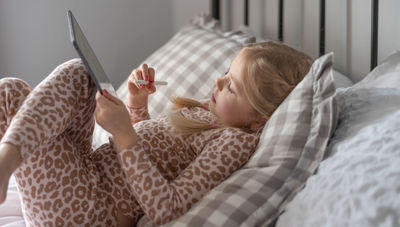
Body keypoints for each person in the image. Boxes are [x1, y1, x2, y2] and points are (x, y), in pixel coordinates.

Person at [0, 41, 312, 226]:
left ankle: (5, 161)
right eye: (226, 75)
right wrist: (137, 107)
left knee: (64, 76)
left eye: (232, 86)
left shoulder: (233, 142)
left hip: (90, 209)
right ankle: (7, 159)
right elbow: (151, 160)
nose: (217, 82)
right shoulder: (207, 116)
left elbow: (166, 207)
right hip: (88, 174)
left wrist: (123, 134)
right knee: (18, 88)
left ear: (259, 119)